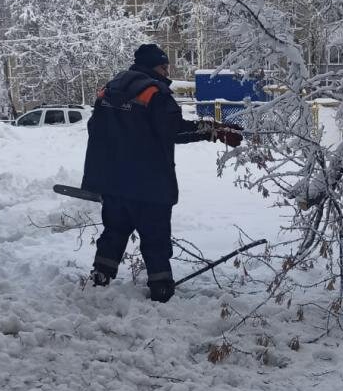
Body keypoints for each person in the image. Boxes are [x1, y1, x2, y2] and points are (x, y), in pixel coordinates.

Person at [81, 43, 242, 302]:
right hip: (148, 183)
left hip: (112, 181)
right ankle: (161, 288)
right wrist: (214, 130)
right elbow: (174, 129)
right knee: (155, 237)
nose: (167, 70)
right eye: (163, 65)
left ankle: (100, 275)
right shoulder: (154, 92)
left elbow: (95, 129)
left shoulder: (111, 88)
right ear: (151, 66)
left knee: (114, 230)